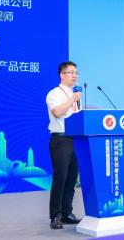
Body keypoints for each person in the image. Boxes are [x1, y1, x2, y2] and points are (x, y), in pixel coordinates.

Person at [46, 61, 83, 230]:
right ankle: (55, 216)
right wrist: (72, 99)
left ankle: (67, 213)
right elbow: (57, 112)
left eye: (76, 73)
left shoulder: (75, 95)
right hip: (60, 141)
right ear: (62, 75)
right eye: (71, 72)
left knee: (71, 179)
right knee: (60, 178)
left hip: (76, 141)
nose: (75, 75)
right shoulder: (54, 93)